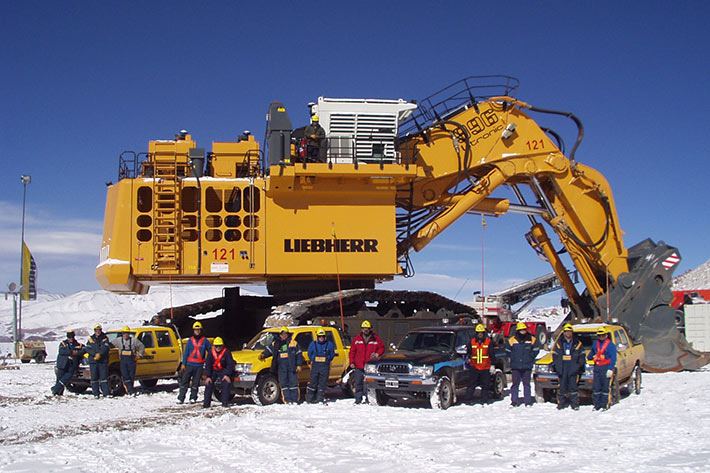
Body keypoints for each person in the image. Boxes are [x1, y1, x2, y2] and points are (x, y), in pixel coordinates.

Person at [258, 327, 303, 404]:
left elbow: (299, 354)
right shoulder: (276, 343)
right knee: (284, 384)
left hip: (292, 367)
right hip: (281, 368)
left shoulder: (293, 343)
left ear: (288, 334)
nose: (284, 336)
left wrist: (299, 365)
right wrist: (263, 354)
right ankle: (287, 400)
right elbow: (269, 350)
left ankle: (294, 400)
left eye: (285, 334)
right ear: (280, 335)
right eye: (282, 334)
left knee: (293, 384)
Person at [348, 320, 385, 404]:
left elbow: (382, 348)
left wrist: (377, 354)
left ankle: (369, 399)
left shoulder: (375, 339)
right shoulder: (357, 339)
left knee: (370, 384)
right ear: (361, 329)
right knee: (358, 383)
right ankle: (358, 399)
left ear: (370, 329)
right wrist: (352, 362)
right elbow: (352, 351)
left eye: (367, 328)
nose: (365, 330)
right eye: (364, 328)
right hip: (359, 365)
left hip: (370, 366)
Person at [506, 322, 540, 407]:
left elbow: (536, 350)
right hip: (515, 366)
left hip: (527, 366)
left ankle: (527, 401)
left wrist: (530, 357)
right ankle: (514, 401)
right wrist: (514, 358)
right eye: (521, 330)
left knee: (526, 384)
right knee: (515, 384)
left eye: (524, 330)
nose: (523, 332)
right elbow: (507, 351)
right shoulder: (512, 340)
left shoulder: (532, 339)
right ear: (518, 331)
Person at [552, 323, 585, 410]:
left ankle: (574, 404)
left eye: (569, 331)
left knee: (573, 387)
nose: (568, 333)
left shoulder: (577, 343)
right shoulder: (559, 343)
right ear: (564, 332)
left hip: (573, 368)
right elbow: (555, 356)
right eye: (566, 331)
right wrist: (558, 367)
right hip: (562, 368)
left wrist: (578, 366)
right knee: (562, 387)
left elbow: (582, 356)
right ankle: (561, 404)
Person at [178, 321, 212, 404]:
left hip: (199, 365)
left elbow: (210, 352)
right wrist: (183, 364)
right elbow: (186, 353)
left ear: (201, 330)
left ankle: (193, 397)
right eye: (195, 330)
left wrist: (208, 361)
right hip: (189, 365)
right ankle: (181, 398)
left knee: (195, 383)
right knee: (184, 382)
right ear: (193, 331)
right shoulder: (190, 341)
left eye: (198, 330)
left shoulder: (205, 341)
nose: (197, 331)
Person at [587, 326, 617, 410]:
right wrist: (588, 358)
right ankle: (597, 404)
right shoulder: (595, 343)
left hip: (606, 367)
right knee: (596, 387)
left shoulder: (610, 345)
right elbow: (591, 353)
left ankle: (604, 404)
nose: (601, 337)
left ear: (606, 335)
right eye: (599, 335)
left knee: (605, 387)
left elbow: (613, 358)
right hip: (597, 367)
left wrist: (610, 369)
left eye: (603, 335)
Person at [467, 324, 497, 404]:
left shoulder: (488, 341)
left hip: (485, 367)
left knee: (485, 385)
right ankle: (468, 400)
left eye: (481, 332)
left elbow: (492, 354)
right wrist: (467, 360)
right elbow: (468, 353)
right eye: (478, 332)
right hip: (474, 367)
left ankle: (484, 400)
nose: (480, 334)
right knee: (471, 384)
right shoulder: (472, 341)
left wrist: (493, 365)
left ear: (484, 333)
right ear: (476, 333)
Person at [111, 326, 145, 396]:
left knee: (131, 376)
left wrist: (140, 355)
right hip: (123, 361)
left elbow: (142, 346)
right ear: (122, 333)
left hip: (132, 361)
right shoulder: (118, 340)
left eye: (127, 333)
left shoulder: (134, 340)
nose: (125, 335)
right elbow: (110, 345)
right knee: (125, 376)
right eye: (124, 333)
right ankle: (131, 391)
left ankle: (130, 390)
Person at [203, 337, 235, 408]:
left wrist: (227, 374)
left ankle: (225, 403)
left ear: (222, 346)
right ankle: (206, 404)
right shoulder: (211, 352)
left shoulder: (226, 352)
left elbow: (230, 364)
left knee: (226, 383)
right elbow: (208, 365)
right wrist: (208, 376)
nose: (218, 348)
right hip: (214, 371)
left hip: (223, 370)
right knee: (208, 384)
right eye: (216, 346)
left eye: (219, 346)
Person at [306, 328, 335, 403]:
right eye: (319, 336)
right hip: (315, 366)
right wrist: (313, 358)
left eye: (322, 336)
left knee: (322, 383)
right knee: (313, 382)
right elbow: (309, 353)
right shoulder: (313, 344)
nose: (321, 338)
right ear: (317, 336)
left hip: (325, 367)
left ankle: (320, 398)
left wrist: (327, 359)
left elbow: (332, 354)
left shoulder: (329, 344)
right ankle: (310, 398)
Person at [51, 330, 84, 396]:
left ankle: (55, 388)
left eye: (72, 337)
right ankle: (58, 392)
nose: (71, 338)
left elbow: (82, 351)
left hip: (72, 365)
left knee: (67, 377)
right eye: (69, 337)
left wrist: (77, 353)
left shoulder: (78, 345)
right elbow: (62, 351)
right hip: (62, 364)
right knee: (59, 378)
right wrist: (72, 352)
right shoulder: (63, 344)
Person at [85, 323, 111, 398]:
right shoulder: (91, 339)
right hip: (93, 361)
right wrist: (94, 354)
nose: (98, 332)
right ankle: (96, 393)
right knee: (94, 378)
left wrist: (100, 354)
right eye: (96, 330)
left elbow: (105, 347)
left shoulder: (105, 338)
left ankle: (105, 393)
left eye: (99, 330)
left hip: (102, 361)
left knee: (103, 378)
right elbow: (88, 348)